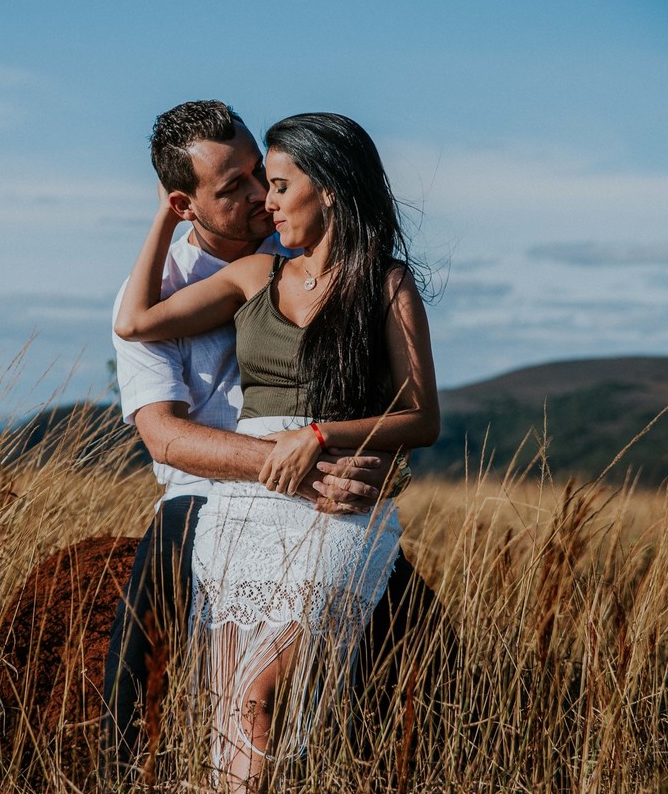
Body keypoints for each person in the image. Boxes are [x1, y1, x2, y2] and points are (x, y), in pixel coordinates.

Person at [113, 110, 439, 789]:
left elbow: (407, 413)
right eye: (236, 186)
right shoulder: (206, 277)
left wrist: (368, 465)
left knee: (411, 636)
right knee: (175, 647)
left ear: (324, 188)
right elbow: (163, 433)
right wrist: (287, 466)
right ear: (186, 203)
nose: (261, 194)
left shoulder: (367, 280)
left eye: (266, 177)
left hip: (322, 487)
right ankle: (116, 751)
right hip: (212, 491)